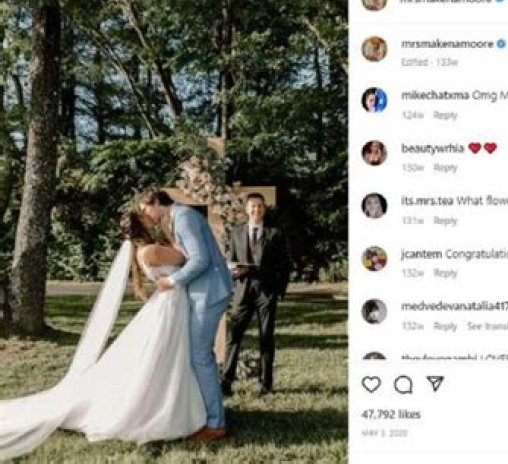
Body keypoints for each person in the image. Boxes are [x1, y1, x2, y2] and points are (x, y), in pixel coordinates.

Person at [0, 210, 214, 459]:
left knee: (167, 355)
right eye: (146, 218)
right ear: (141, 225)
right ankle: (160, 409)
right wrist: (169, 230)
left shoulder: (144, 250)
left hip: (171, 303)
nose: (152, 220)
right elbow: (185, 257)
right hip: (171, 305)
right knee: (165, 356)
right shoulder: (151, 251)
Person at [137, 188, 233, 441]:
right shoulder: (177, 218)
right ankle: (204, 414)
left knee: (200, 356)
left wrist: (171, 280)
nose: (145, 214)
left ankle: (216, 424)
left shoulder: (184, 217)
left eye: (145, 209)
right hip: (204, 291)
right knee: (197, 355)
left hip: (209, 292)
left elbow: (200, 260)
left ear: (156, 202)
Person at [222, 193, 291, 397]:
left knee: (266, 337)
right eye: (252, 206)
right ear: (246, 209)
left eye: (260, 206)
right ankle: (226, 382)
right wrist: (234, 270)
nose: (256, 210)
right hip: (242, 291)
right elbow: (231, 259)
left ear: (264, 209)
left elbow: (285, 264)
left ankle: (266, 385)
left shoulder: (275, 233)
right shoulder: (236, 232)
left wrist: (279, 290)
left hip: (266, 292)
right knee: (234, 336)